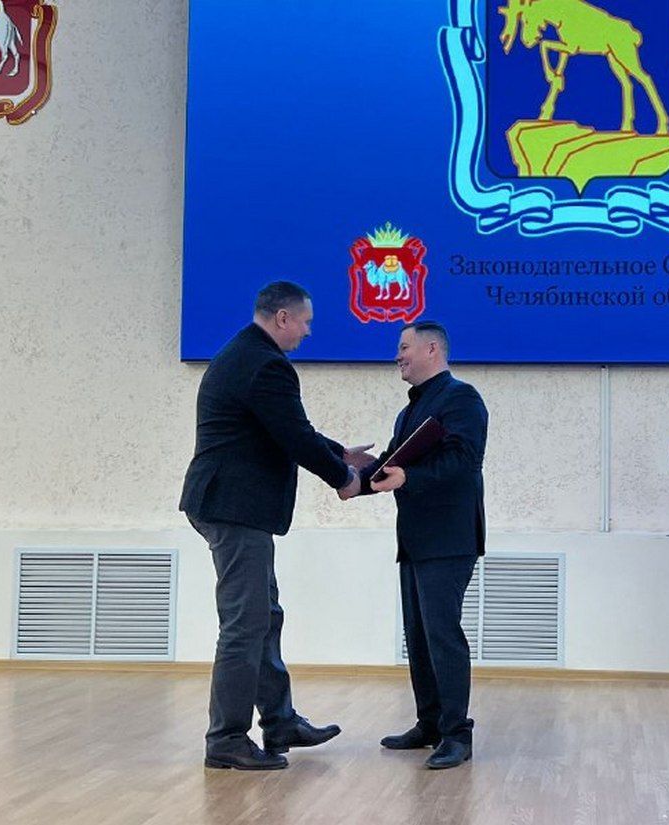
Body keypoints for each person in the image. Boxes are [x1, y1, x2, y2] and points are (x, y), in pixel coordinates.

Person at [179, 281, 366, 770]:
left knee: (264, 615)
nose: (307, 332)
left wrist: (340, 453)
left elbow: (282, 427)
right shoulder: (265, 363)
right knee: (244, 624)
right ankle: (226, 739)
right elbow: (293, 435)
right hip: (234, 507)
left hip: (230, 505)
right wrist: (343, 477)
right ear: (282, 317)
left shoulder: (246, 354)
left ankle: (280, 722)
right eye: (305, 322)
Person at [342, 321, 487, 769]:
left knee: (442, 634)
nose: (397, 355)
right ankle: (430, 724)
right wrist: (350, 475)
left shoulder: (462, 398)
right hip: (416, 538)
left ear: (431, 349)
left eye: (404, 347)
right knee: (418, 635)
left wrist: (409, 476)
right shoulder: (410, 411)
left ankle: (457, 733)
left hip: (449, 538)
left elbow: (465, 460)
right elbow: (390, 467)